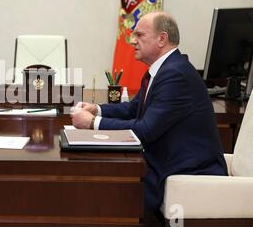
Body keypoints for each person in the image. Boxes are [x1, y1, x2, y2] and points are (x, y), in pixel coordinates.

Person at [71, 11, 228, 212]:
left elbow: (146, 130)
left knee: (105, 190)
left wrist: (92, 123)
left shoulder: (175, 74)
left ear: (162, 39)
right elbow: (134, 108)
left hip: (187, 169)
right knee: (101, 179)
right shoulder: (164, 69)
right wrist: (98, 109)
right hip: (165, 159)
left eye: (139, 35)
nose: (132, 41)